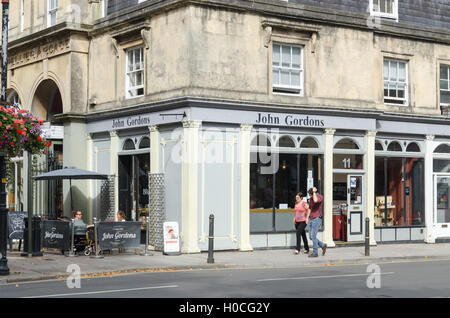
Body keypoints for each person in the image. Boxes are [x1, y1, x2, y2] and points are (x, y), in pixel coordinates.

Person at [307, 187, 327, 258]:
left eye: (310, 195)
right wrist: (307, 218)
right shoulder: (311, 199)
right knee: (310, 236)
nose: (309, 196)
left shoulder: (320, 197)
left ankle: (315, 253)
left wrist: (314, 192)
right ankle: (322, 245)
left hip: (317, 218)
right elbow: (309, 208)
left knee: (313, 236)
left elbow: (316, 200)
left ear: (313, 193)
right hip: (311, 219)